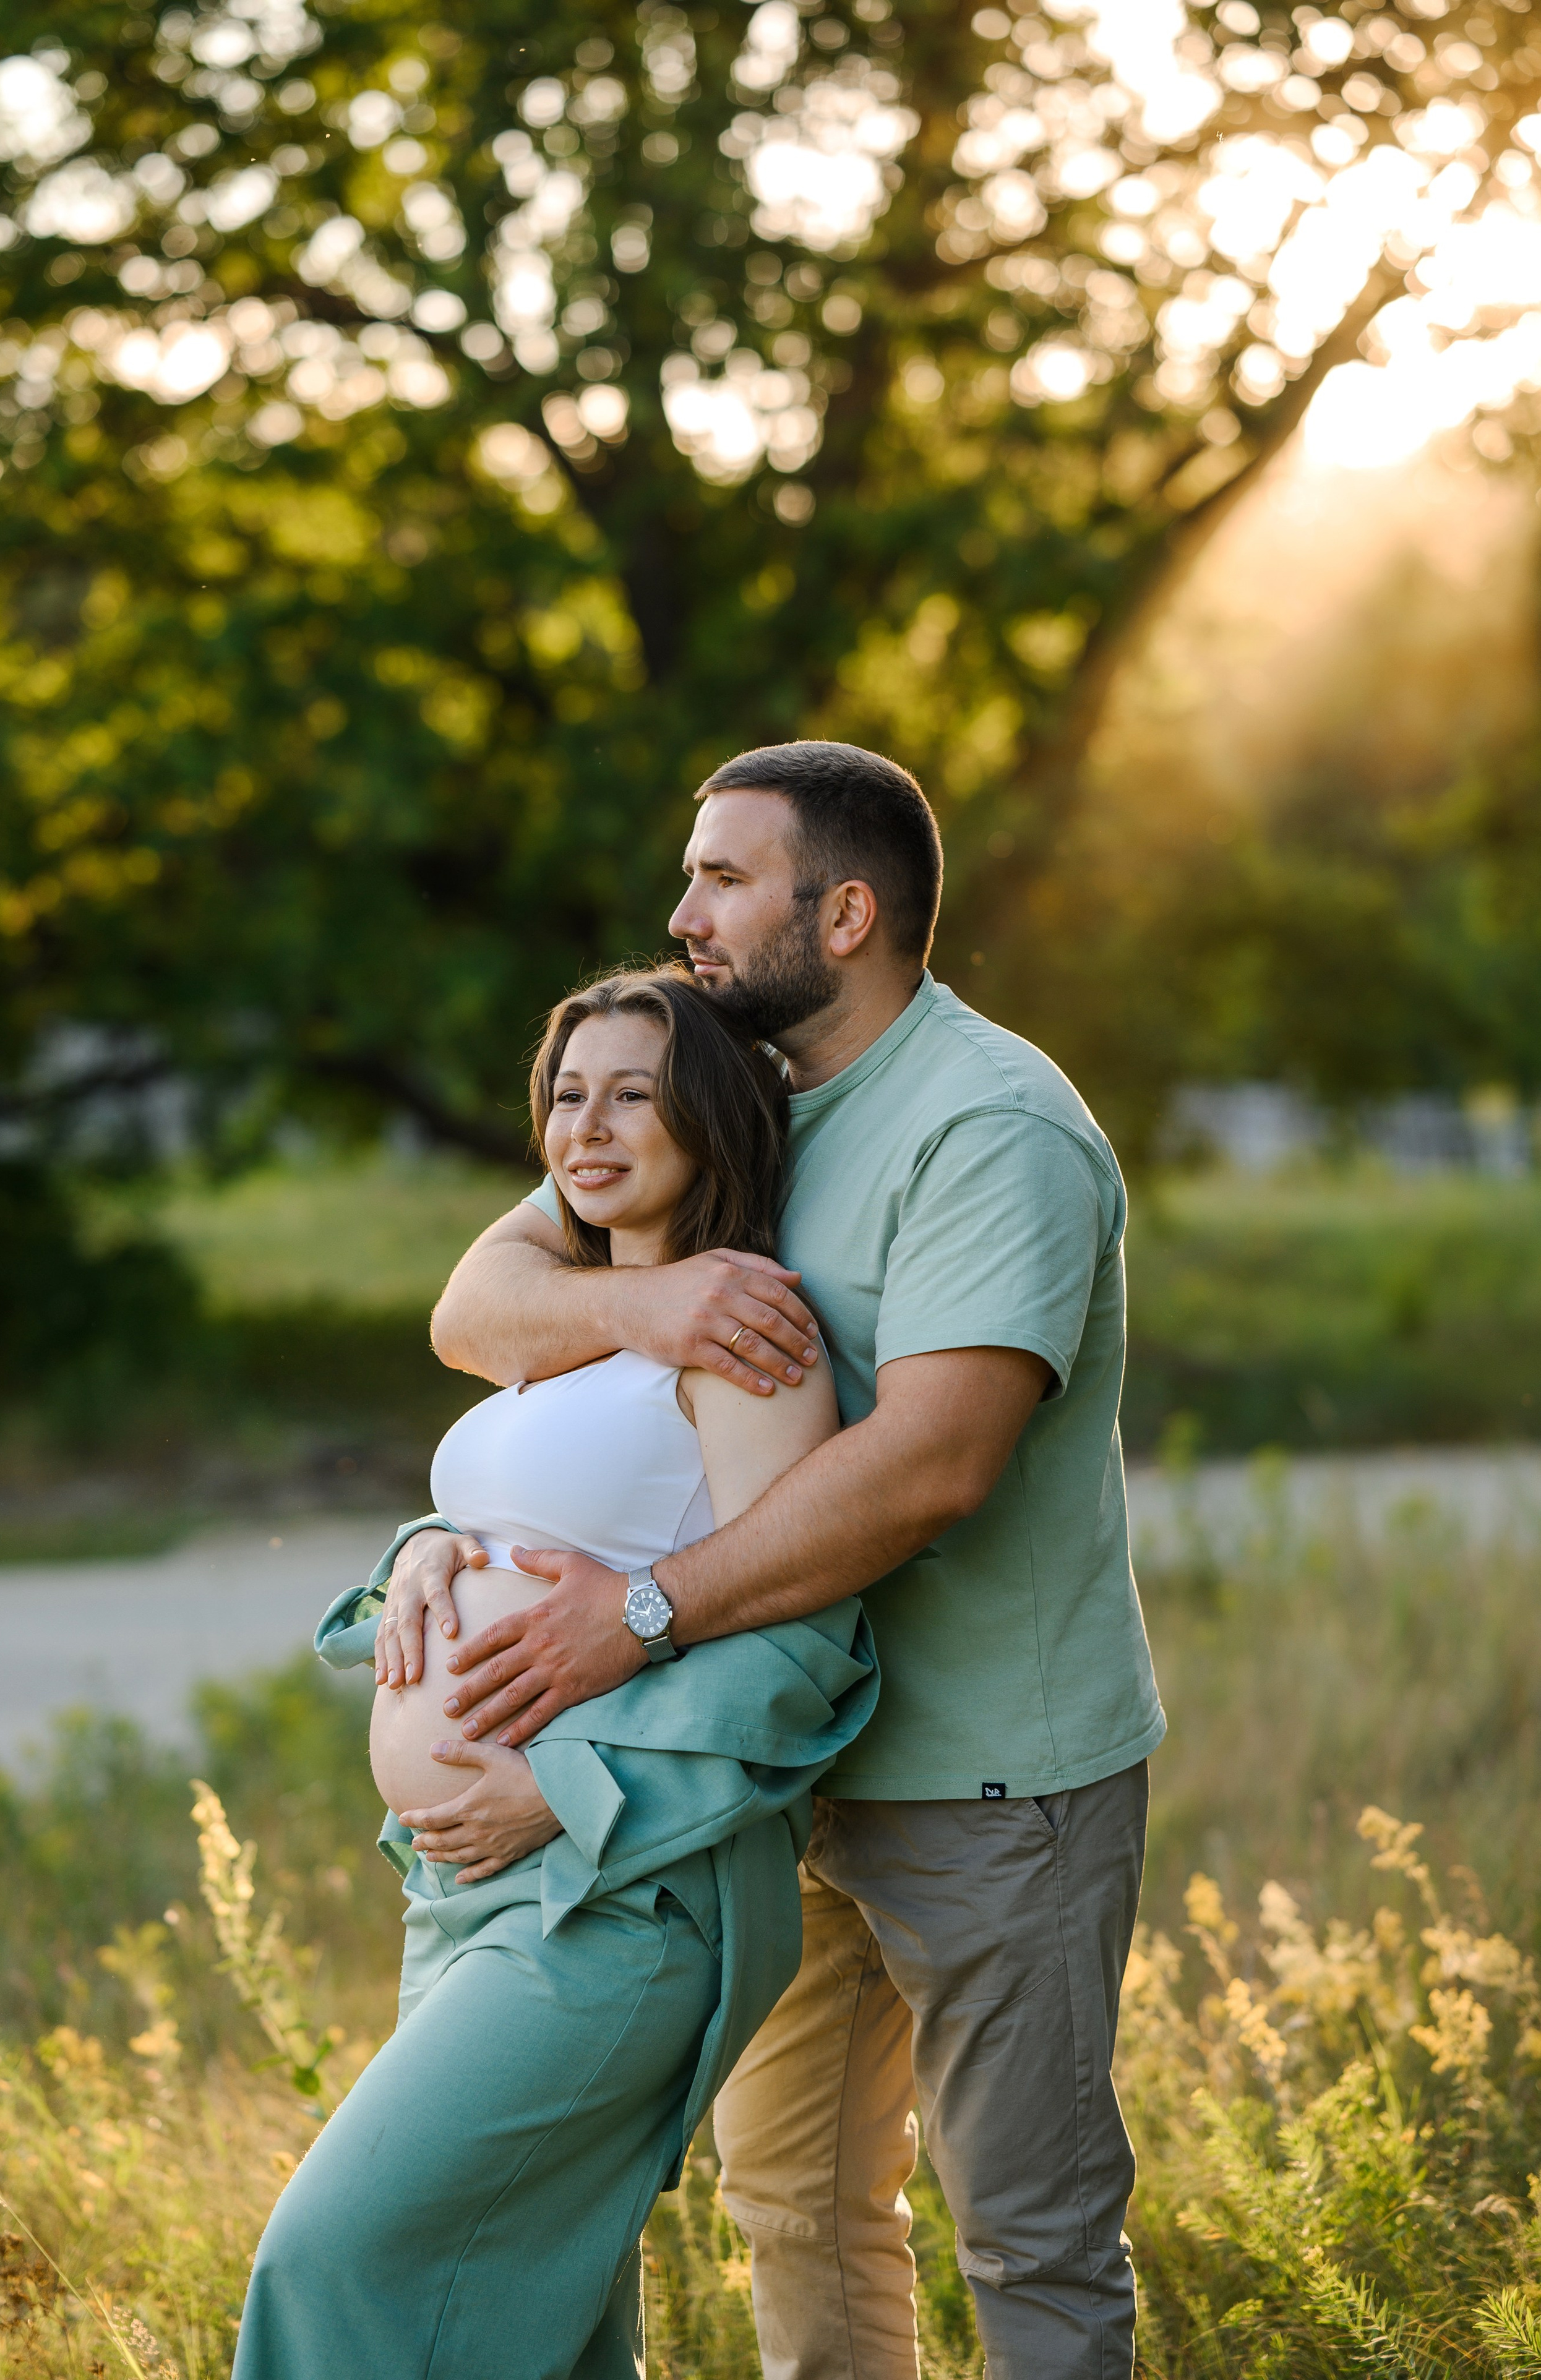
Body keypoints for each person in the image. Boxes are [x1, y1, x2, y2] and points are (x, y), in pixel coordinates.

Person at [385, 740, 1166, 2380]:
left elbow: (934, 1463)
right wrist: (640, 1302)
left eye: (726, 878)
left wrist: (647, 1616)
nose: (685, 914)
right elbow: (479, 1308)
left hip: (988, 1778)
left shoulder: (991, 1125)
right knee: (798, 2205)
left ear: (852, 911)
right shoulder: (728, 1093)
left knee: (1028, 2226)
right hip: (769, 1767)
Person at [231, 967, 878, 2380]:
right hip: (459, 1891)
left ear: (710, 1117)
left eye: (633, 1093)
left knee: (336, 2261)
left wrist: (560, 1785)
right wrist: (428, 1550)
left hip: (612, 1891)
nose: (586, 1127)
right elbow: (544, 1511)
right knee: (538, 2328)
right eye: (565, 1094)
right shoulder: (585, 1313)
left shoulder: (745, 1337)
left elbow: (802, 1640)